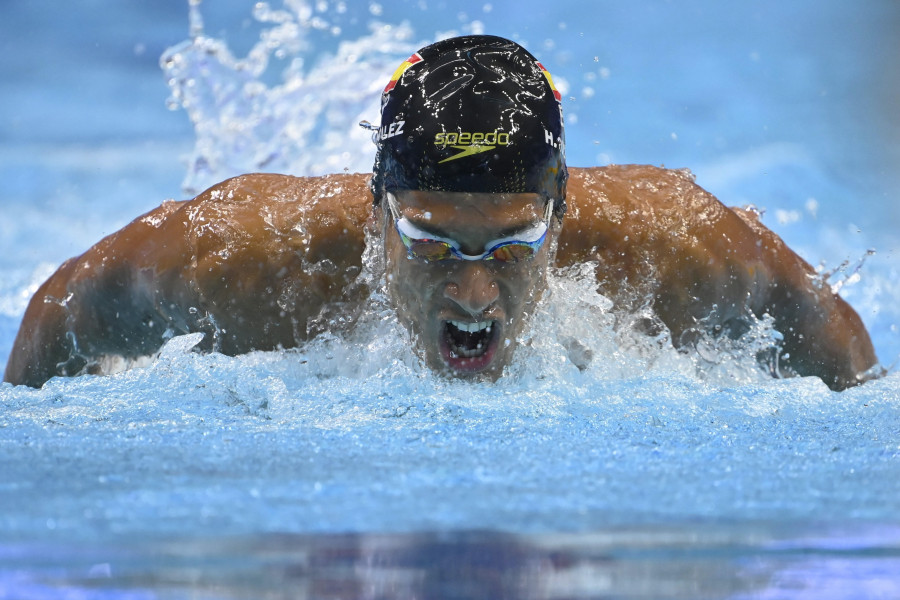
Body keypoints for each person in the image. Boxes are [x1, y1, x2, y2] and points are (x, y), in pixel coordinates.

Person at [3, 35, 880, 391]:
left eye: (512, 245)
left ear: (560, 216)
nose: (472, 292)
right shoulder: (239, 261)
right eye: (430, 239)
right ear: (376, 213)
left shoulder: (681, 248)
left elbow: (851, 375)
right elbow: (60, 310)